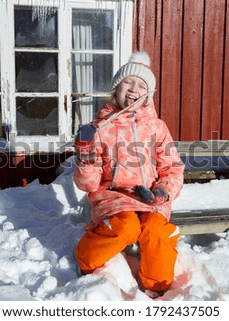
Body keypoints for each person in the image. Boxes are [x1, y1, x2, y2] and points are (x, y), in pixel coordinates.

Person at [73, 51, 185, 297]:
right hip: (113, 197)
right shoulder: (99, 128)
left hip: (150, 197)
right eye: (128, 82)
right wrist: (85, 154)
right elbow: (88, 185)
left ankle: (158, 286)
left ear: (148, 94)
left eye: (142, 85)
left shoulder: (157, 127)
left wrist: (162, 190)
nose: (134, 89)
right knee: (126, 229)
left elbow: (172, 167)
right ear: (116, 88)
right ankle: (85, 258)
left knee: (154, 230)